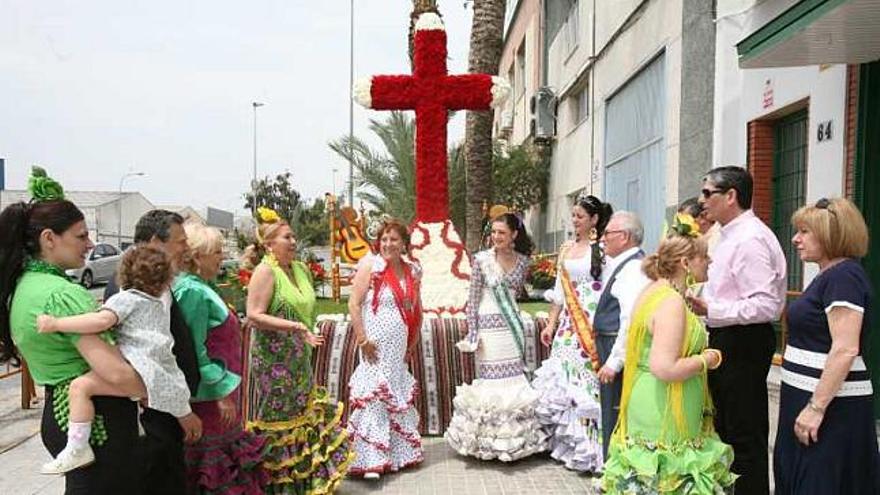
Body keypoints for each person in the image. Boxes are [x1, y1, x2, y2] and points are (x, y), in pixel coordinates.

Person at [0, 167, 139, 493]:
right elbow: (115, 373)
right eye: (80, 236)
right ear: (49, 239)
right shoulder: (61, 294)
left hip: (60, 413)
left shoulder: (24, 286)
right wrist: (162, 389)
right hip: (99, 421)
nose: (90, 244)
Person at [601, 223, 736, 494]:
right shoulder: (671, 302)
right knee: (668, 476)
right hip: (664, 407)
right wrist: (707, 359)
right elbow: (664, 366)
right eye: (704, 256)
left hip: (652, 399)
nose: (709, 261)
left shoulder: (653, 291)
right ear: (686, 262)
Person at [36, 246, 193, 475]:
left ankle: (77, 447)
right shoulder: (155, 304)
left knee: (80, 387)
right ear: (164, 280)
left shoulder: (126, 299)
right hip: (158, 375)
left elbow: (100, 322)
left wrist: (56, 324)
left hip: (137, 369)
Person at [688, 166, 787, 494]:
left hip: (743, 341)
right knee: (727, 428)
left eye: (708, 194)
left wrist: (712, 309)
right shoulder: (730, 234)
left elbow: (765, 305)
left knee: (743, 433)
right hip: (729, 336)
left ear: (731, 196)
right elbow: (732, 291)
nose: (702, 202)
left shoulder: (750, 238)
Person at [773, 197, 880, 494]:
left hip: (833, 408)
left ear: (832, 233)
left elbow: (845, 348)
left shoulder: (843, 278)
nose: (796, 239)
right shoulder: (831, 276)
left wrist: (816, 408)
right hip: (811, 400)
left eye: (805, 231)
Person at [244, 207, 353, 493]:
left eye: (294, 237)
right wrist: (295, 328)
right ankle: (276, 486)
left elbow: (306, 310)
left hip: (300, 356)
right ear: (269, 244)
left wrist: (305, 331)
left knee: (303, 415)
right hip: (274, 360)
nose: (293, 242)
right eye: (286, 237)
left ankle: (304, 482)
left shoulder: (300, 269)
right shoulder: (266, 271)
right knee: (280, 419)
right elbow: (254, 315)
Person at [104, 209, 202, 495]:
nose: (186, 247)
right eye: (180, 241)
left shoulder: (154, 284)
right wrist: (181, 411)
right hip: (154, 416)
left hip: (165, 410)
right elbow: (146, 360)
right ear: (155, 242)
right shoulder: (132, 289)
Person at [173, 223, 268, 494]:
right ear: (197, 257)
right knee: (213, 468)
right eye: (215, 252)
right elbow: (194, 349)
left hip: (225, 391)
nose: (220, 258)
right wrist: (218, 392)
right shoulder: (192, 291)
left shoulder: (204, 286)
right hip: (211, 399)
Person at [445, 213, 548, 462]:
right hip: (488, 329)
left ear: (514, 234)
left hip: (511, 327)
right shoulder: (482, 261)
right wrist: (473, 332)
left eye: (502, 232)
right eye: (493, 232)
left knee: (512, 378)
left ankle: (515, 441)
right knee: (492, 381)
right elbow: (473, 298)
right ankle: (488, 443)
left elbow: (515, 295)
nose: (496, 237)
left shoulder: (523, 262)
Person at [532, 193, 613, 472]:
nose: (575, 220)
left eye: (580, 216)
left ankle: (594, 448)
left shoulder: (603, 250)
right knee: (566, 378)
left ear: (594, 219)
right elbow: (559, 291)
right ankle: (570, 445)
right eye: (574, 216)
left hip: (593, 322)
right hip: (568, 323)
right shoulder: (566, 249)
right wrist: (551, 324)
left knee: (588, 381)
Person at [347, 218, 424, 478]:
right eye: (384, 239)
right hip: (374, 343)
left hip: (399, 343)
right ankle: (370, 459)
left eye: (393, 239)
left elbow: (417, 308)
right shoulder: (371, 265)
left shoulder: (413, 270)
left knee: (393, 393)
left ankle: (395, 455)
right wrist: (362, 339)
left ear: (403, 243)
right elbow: (354, 304)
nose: (388, 244)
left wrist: (412, 342)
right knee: (375, 394)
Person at [594, 211, 649, 460]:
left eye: (608, 233)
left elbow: (630, 319)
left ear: (625, 236)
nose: (602, 239)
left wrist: (615, 361)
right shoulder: (624, 264)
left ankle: (614, 471)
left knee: (615, 412)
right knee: (610, 411)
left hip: (616, 344)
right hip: (609, 340)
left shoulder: (634, 268)